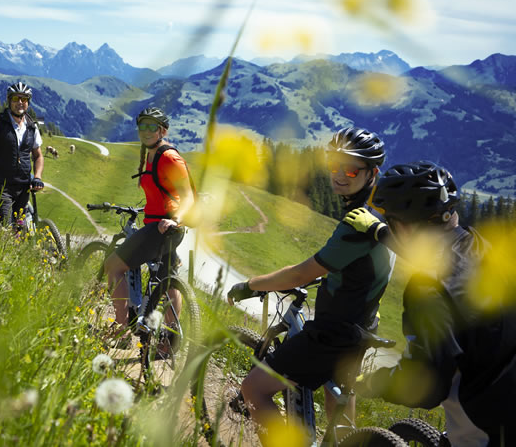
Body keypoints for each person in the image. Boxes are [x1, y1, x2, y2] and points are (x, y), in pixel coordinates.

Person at [226, 127, 394, 442]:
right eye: (334, 166)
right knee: (340, 420)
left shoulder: (357, 225)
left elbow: (298, 275)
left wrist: (253, 284)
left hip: (332, 336)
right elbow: (364, 271)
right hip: (362, 330)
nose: (339, 176)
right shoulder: (380, 222)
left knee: (253, 389)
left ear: (372, 173)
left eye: (350, 168)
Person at [344, 161, 516, 447]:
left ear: (406, 227)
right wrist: (379, 232)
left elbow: (428, 387)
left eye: (391, 222)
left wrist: (375, 382)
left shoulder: (429, 290)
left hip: (485, 431)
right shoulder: (482, 247)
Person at [103, 107, 195, 349]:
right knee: (166, 279)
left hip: (164, 228)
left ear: (162, 130)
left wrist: (176, 219)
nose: (145, 130)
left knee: (113, 266)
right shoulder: (150, 153)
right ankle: (169, 341)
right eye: (142, 125)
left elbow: (188, 198)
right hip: (161, 224)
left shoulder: (169, 158)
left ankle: (122, 332)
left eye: (152, 126)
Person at [0, 82, 44, 227]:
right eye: (15, 99)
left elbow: (38, 156)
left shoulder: (32, 127)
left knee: (20, 228)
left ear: (28, 102)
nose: (20, 102)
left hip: (23, 186)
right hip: (2, 186)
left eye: (24, 99)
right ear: (9, 100)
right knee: (6, 228)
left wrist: (37, 177)